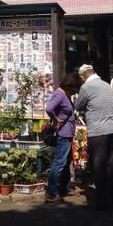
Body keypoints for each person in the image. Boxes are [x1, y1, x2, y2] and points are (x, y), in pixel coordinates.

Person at [73, 63, 113, 210]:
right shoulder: (106, 85)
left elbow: (78, 105)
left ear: (83, 76)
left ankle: (103, 202)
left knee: (99, 166)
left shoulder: (86, 87)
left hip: (98, 131)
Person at [44, 74, 78, 204]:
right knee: (59, 162)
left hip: (67, 133)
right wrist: (55, 119)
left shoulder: (65, 94)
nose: (73, 92)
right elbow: (49, 108)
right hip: (63, 134)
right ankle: (51, 193)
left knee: (66, 161)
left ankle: (65, 188)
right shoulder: (60, 94)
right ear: (68, 86)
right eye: (73, 89)